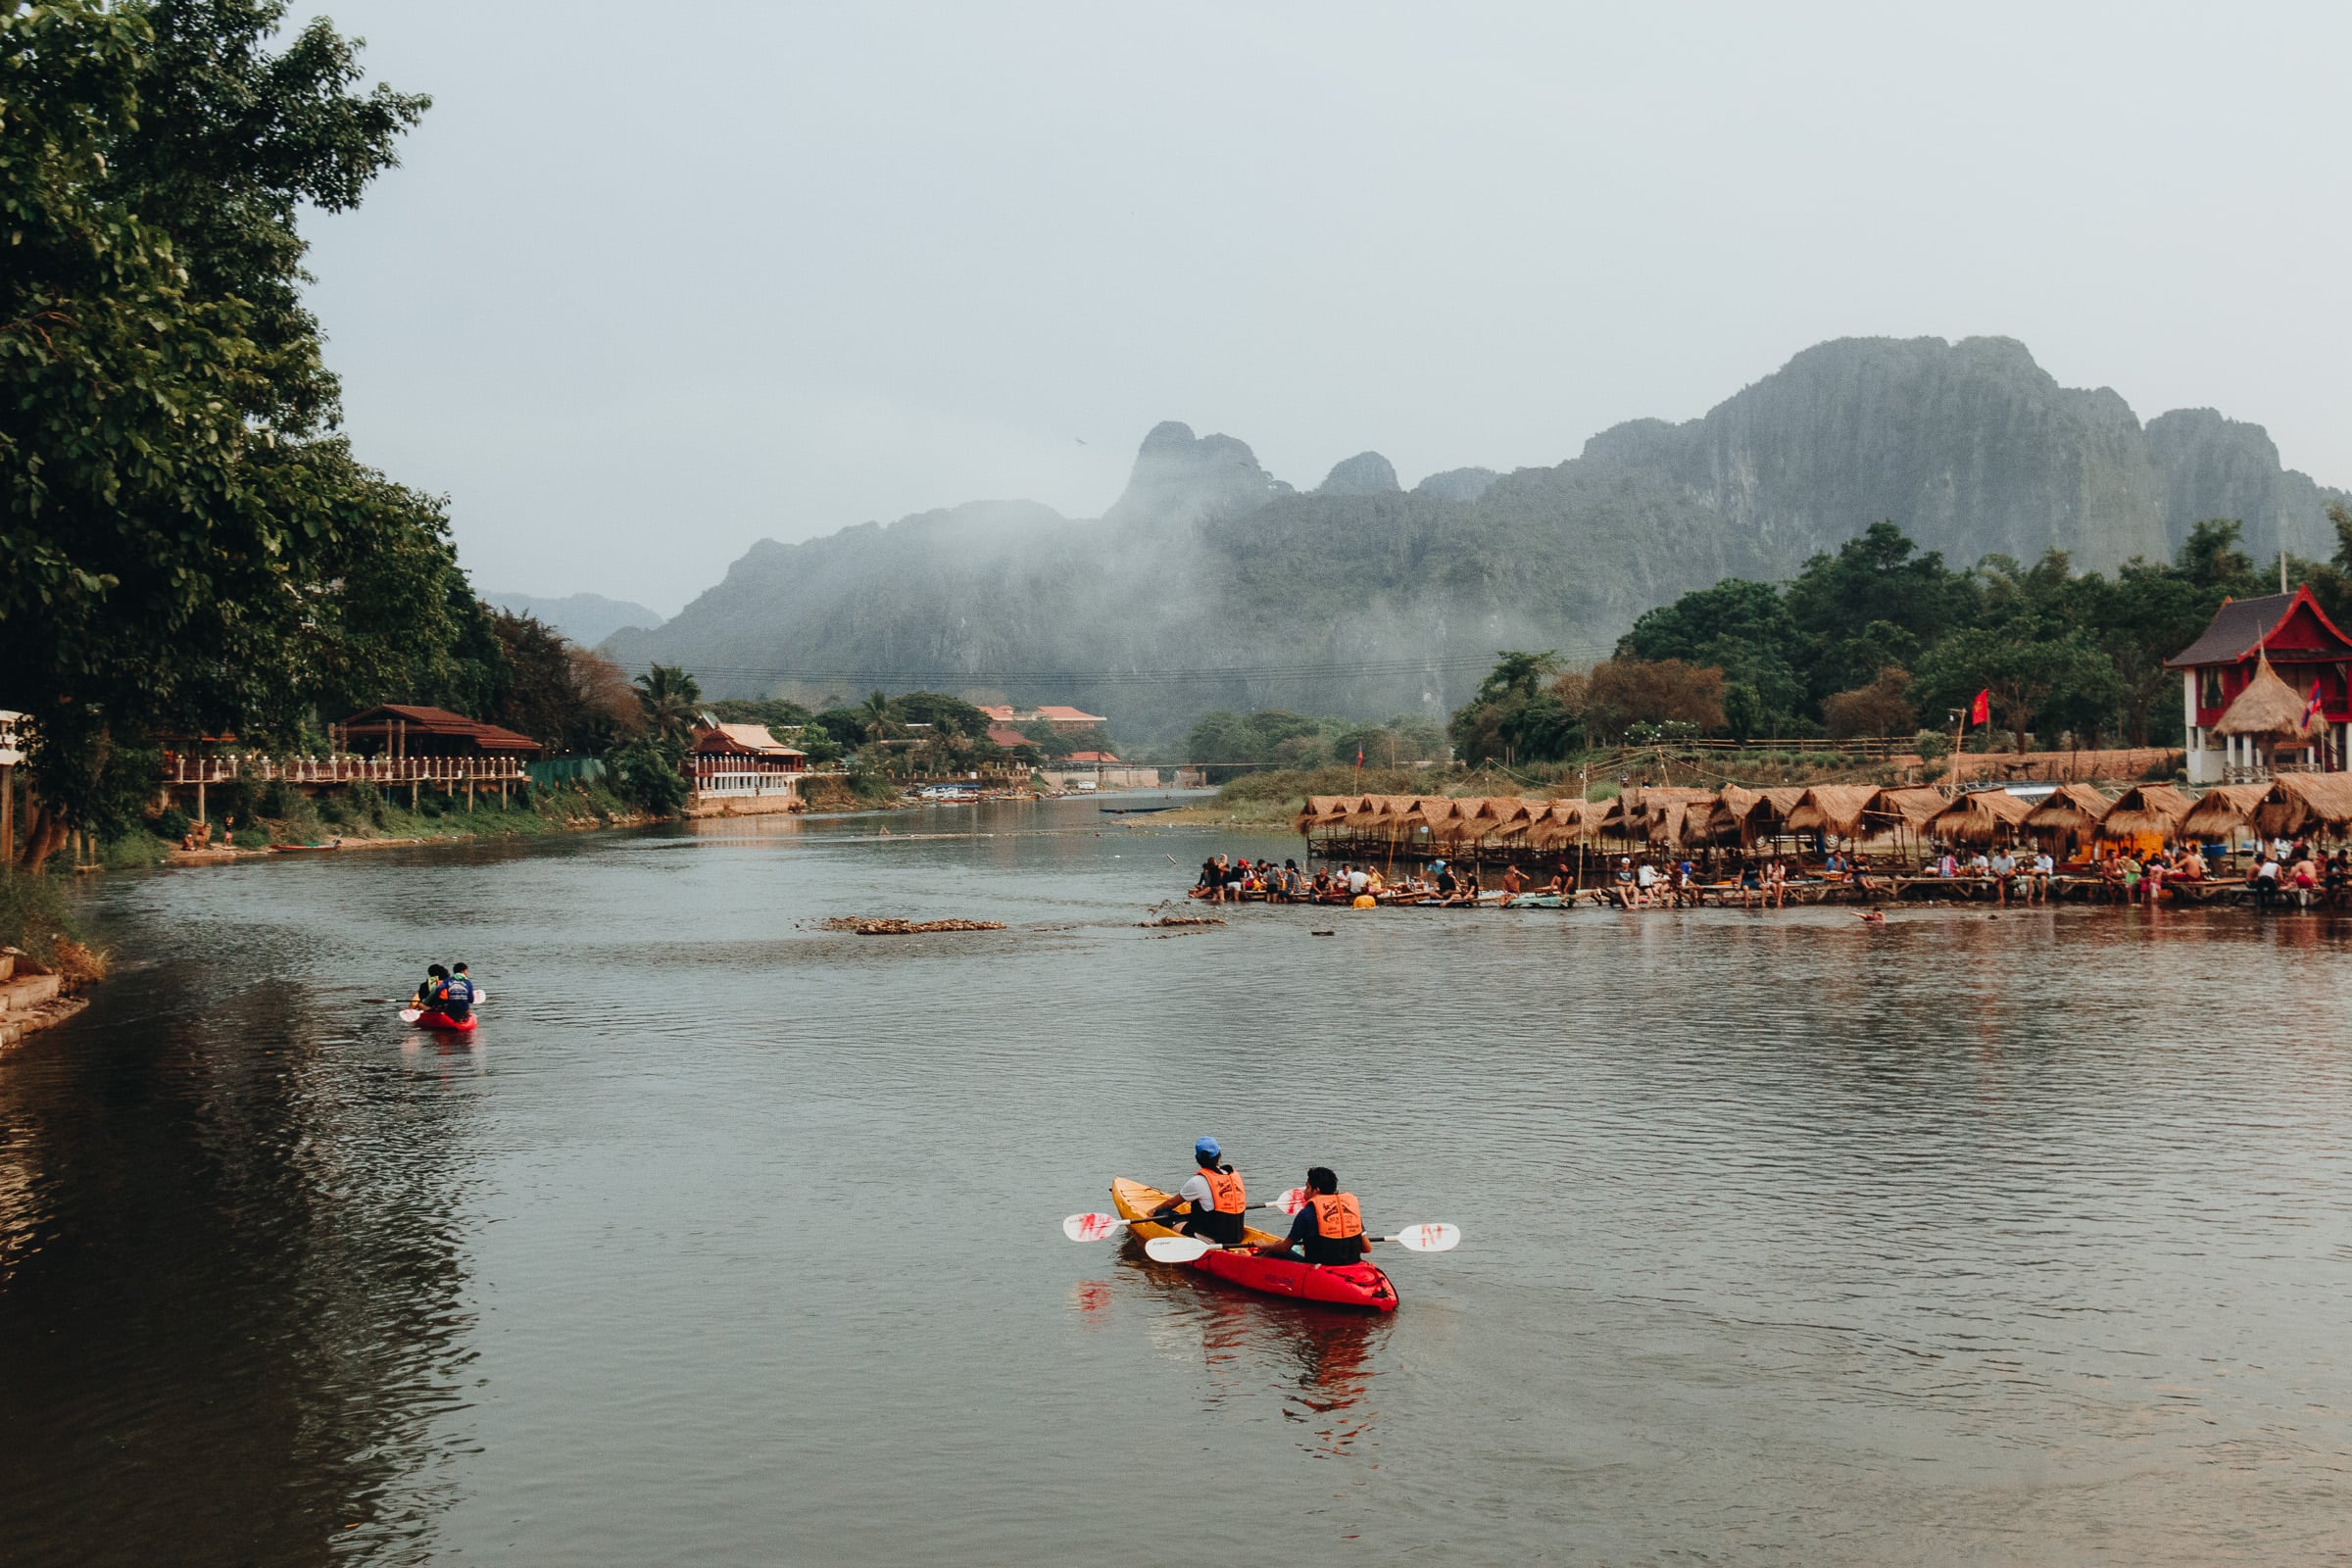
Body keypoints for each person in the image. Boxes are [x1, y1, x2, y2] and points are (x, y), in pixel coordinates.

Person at [1259, 1166, 1370, 1266]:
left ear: (1316, 1191)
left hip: (1318, 1267)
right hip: (1351, 1264)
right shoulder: (1348, 1211)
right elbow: (1367, 1248)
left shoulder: (1306, 1214)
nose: (1304, 1192)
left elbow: (1284, 1249)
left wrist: (1264, 1245)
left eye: (1307, 1187)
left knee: (1273, 1250)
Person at [1150, 1138, 1249, 1246]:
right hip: (1237, 1235)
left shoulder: (1197, 1182)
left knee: (1163, 1213)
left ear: (1197, 1158)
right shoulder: (1233, 1175)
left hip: (1211, 1239)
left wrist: (1153, 1211)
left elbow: (1170, 1204)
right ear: (1219, 1155)